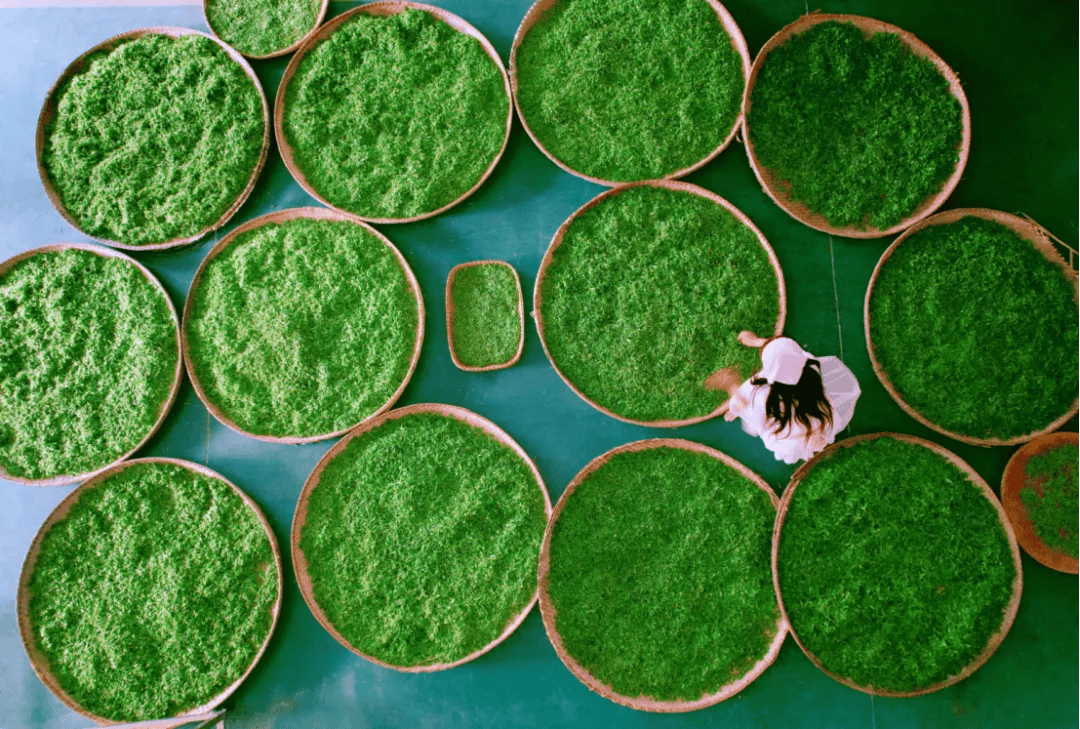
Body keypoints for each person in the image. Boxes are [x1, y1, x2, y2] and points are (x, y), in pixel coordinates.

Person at [704, 332, 861, 464]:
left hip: (790, 436)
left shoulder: (765, 399)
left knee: (745, 401)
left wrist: (732, 386)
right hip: (813, 416)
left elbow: (752, 415)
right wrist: (757, 341)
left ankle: (734, 410)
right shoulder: (810, 369)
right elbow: (786, 355)